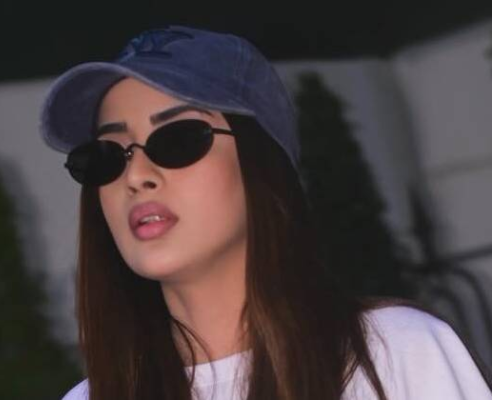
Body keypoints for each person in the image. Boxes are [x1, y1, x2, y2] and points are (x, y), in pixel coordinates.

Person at [39, 25, 492, 400]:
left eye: (178, 139)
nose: (136, 175)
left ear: (263, 164)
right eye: (107, 156)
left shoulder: (399, 353)